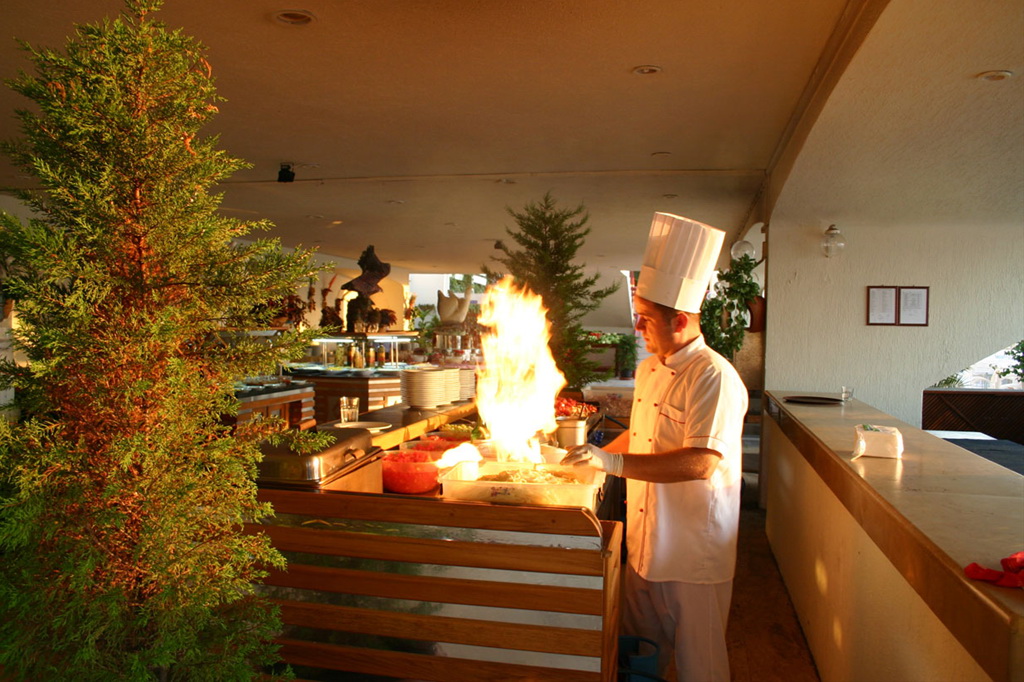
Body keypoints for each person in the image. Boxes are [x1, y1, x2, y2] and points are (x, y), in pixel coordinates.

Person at [562, 212, 747, 682]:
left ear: (679, 320)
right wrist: (591, 460)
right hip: (645, 544)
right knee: (640, 655)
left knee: (700, 668)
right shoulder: (649, 368)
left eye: (645, 319)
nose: (638, 329)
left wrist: (612, 461)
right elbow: (640, 435)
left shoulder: (714, 377)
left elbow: (702, 463)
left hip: (692, 553)